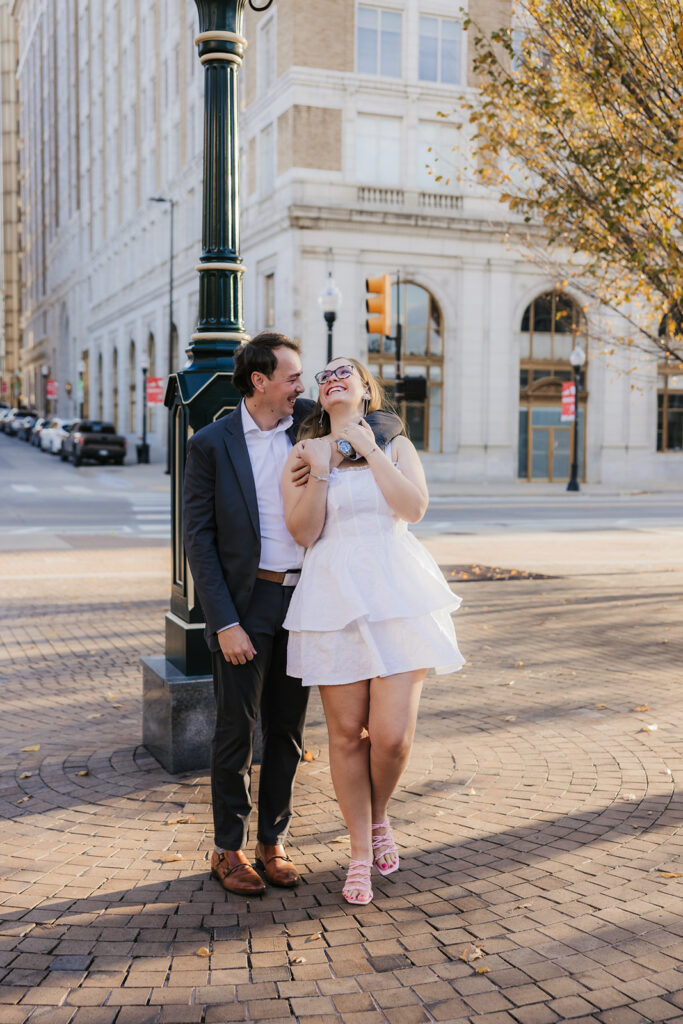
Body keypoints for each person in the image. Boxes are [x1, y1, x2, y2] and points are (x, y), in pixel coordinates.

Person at [182, 333, 402, 896]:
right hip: (246, 602)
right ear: (259, 382)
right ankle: (228, 849)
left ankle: (272, 842)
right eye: (291, 378)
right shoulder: (211, 443)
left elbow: (381, 422)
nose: (302, 388)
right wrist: (224, 622)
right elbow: (199, 542)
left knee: (287, 731)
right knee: (237, 730)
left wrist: (350, 448)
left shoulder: (308, 420)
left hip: (306, 601)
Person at [281, 357, 464, 905]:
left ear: (366, 390)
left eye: (346, 373)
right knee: (345, 734)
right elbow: (304, 532)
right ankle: (360, 852)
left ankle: (378, 815)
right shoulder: (303, 451)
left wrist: (369, 450)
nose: (334, 378)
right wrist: (320, 467)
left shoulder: (398, 444)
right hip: (332, 595)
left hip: (396, 592)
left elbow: (413, 508)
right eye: (325, 375)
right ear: (321, 395)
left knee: (391, 737)